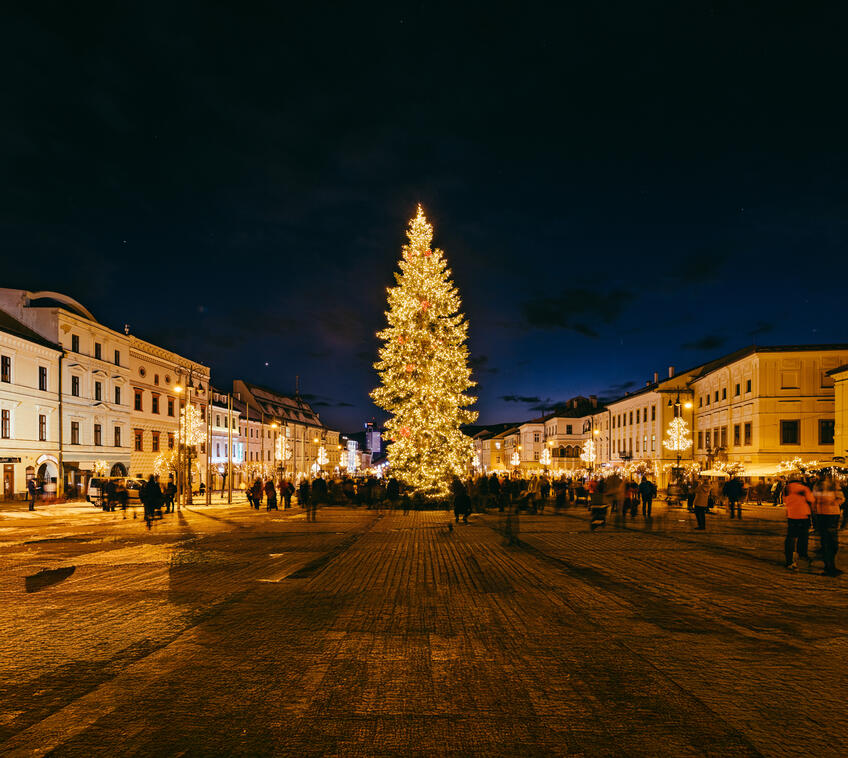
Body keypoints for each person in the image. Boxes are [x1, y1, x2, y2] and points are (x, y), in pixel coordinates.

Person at [812, 475, 845, 576]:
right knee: (827, 541)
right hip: (824, 515)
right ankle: (829, 566)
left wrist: (831, 502)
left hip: (831, 514)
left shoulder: (833, 486)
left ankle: (830, 565)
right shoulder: (818, 486)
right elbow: (814, 499)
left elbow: (841, 499)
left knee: (831, 542)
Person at [783, 478, 813, 570]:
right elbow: (811, 499)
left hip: (792, 515)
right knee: (803, 536)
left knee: (791, 537)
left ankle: (789, 559)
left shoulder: (786, 489)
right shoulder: (804, 488)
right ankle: (802, 554)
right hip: (803, 515)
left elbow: (784, 500)